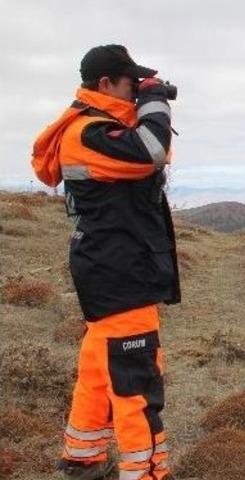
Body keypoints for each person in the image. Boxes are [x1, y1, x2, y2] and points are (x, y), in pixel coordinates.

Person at [31, 44, 179, 480]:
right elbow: (152, 151)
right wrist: (153, 103)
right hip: (122, 271)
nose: (136, 92)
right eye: (131, 84)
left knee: (100, 369)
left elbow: (154, 152)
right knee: (136, 382)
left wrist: (144, 105)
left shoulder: (96, 130)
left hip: (110, 267)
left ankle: (83, 457)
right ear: (105, 84)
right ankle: (147, 473)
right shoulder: (89, 133)